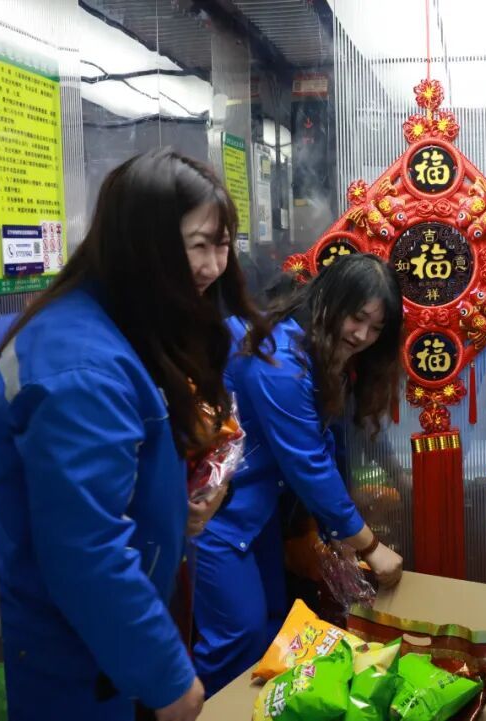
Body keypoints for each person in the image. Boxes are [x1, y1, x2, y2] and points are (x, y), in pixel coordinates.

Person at [0, 148, 268, 721]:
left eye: (223, 245)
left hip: (108, 642)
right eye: (199, 245)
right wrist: (166, 677)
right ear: (143, 243)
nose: (214, 267)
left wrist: (182, 501)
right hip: (79, 657)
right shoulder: (80, 369)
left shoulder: (119, 321)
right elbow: (86, 548)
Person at [192, 253, 406, 694]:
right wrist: (369, 545)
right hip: (214, 515)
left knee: (273, 628)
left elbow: (323, 445)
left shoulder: (314, 347)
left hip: (256, 513)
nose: (362, 336)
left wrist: (339, 530)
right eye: (357, 318)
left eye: (376, 328)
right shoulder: (278, 359)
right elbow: (306, 461)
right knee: (238, 637)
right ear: (330, 299)